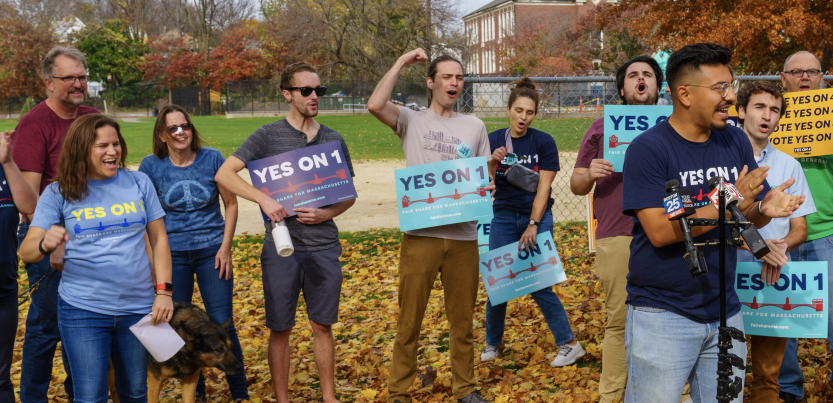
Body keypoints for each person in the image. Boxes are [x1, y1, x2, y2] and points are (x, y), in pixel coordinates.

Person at [621, 43, 804, 403]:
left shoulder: (734, 139)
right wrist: (729, 198)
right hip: (662, 313)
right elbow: (660, 232)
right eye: (720, 88)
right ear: (685, 94)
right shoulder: (649, 149)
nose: (731, 96)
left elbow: (742, 219)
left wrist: (767, 208)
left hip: (725, 309)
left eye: (731, 86)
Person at [215, 62, 355, 403]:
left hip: (324, 246)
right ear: (287, 94)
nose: (314, 96)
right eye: (305, 91)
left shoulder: (333, 138)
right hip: (281, 249)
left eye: (318, 90)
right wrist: (263, 199)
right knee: (280, 328)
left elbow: (348, 194)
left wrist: (327, 213)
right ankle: (282, 399)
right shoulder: (266, 135)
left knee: (323, 325)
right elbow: (225, 174)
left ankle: (329, 397)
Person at [19, 114, 174, 402]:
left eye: (116, 144)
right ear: (81, 149)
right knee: (90, 397)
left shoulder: (139, 182)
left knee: (135, 393)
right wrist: (44, 242)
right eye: (102, 145)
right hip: (82, 310)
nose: (112, 151)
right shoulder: (58, 192)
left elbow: (159, 239)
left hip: (138, 307)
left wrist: (163, 292)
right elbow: (26, 249)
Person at [368, 48, 493, 403]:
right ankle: (399, 391)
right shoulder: (411, 119)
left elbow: (483, 176)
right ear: (431, 82)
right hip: (421, 236)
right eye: (446, 77)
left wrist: (488, 185)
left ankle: (465, 388)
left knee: (462, 323)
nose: (454, 83)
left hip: (464, 239)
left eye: (459, 77)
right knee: (409, 321)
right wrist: (401, 61)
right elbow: (375, 105)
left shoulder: (475, 126)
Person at [139, 105, 248, 402]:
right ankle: (196, 395)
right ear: (162, 135)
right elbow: (147, 218)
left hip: (211, 250)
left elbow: (232, 204)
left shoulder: (212, 158)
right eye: (172, 128)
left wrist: (225, 248)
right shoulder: (151, 166)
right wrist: (152, 264)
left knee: (223, 320)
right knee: (178, 328)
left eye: (184, 126)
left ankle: (241, 394)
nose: (180, 132)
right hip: (172, 255)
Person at [569, 55, 663, 403]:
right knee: (619, 321)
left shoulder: (676, 125)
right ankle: (611, 396)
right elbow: (576, 185)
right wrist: (589, 173)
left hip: (670, 232)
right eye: (633, 75)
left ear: (658, 84)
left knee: (673, 321)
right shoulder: (600, 128)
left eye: (648, 75)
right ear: (622, 88)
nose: (641, 80)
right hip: (618, 232)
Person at [12, 45, 99, 403]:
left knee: (87, 325)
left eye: (82, 77)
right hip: (49, 238)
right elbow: (30, 202)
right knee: (47, 326)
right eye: (70, 78)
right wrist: (53, 242)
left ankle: (81, 394)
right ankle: (33, 397)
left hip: (94, 235)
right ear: (48, 82)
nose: (78, 84)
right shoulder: (34, 124)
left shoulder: (91, 117)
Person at [481, 77, 585, 367]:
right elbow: (486, 185)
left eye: (529, 112)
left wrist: (533, 224)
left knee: (539, 283)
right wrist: (492, 162)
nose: (523, 117)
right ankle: (493, 343)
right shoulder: (493, 139)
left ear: (535, 113)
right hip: (502, 217)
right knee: (498, 284)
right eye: (518, 110)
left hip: (536, 218)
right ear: (508, 109)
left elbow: (544, 189)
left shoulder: (544, 142)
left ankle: (569, 344)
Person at [735, 80, 816, 402]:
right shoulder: (720, 159)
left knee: (769, 375)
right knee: (729, 366)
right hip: (731, 274)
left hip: (776, 278)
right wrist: (758, 247)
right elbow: (718, 223)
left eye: (775, 109)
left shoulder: (789, 164)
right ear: (741, 111)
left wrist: (782, 245)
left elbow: (800, 228)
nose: (767, 115)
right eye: (759, 107)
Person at [777, 50, 828, 403]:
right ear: (784, 79)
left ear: (823, 77)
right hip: (779, 235)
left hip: (827, 232)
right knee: (782, 319)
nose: (805, 77)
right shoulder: (768, 115)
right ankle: (788, 391)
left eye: (813, 71)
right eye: (797, 72)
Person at [0, 130, 38, 402]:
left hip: (4, 288)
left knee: (2, 376)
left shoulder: (3, 167)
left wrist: (8, 161)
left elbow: (29, 205)